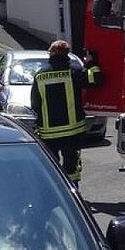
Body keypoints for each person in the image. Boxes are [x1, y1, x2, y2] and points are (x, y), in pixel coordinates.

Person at [30, 40, 102, 188]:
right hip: (72, 130)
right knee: (71, 166)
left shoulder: (40, 75)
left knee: (52, 165)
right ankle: (73, 192)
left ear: (51, 53)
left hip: (48, 132)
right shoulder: (74, 71)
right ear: (67, 53)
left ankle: (55, 192)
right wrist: (92, 63)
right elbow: (96, 79)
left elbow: (35, 104)